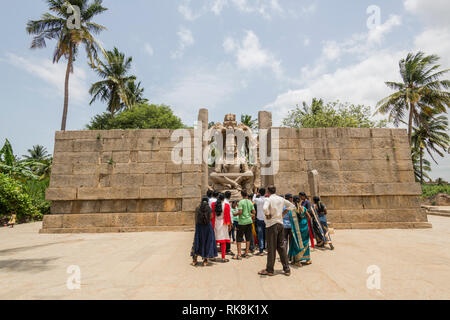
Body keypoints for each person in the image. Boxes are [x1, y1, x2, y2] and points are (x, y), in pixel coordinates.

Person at [258, 186, 295, 277]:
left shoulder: (269, 199)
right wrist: (283, 213)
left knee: (271, 248)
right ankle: (286, 269)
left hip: (271, 225)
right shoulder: (281, 199)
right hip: (280, 224)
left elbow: (264, 208)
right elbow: (292, 205)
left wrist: (267, 215)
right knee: (281, 247)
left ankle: (270, 270)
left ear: (268, 191)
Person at [191, 198, 218, 266]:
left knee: (197, 242)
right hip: (207, 227)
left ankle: (194, 260)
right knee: (207, 242)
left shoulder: (197, 208)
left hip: (199, 227)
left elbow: (196, 218)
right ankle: (205, 260)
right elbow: (211, 217)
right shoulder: (209, 208)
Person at [288, 196, 312, 266]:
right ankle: (307, 258)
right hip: (304, 227)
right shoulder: (304, 208)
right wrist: (304, 220)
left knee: (296, 242)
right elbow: (309, 217)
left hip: (297, 228)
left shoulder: (292, 210)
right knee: (305, 242)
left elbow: (290, 219)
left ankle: (297, 260)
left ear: (293, 201)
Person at [233, 190, 255, 260]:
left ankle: (239, 254)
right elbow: (254, 212)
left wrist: (234, 214)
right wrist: (251, 216)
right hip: (249, 221)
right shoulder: (250, 202)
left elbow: (240, 212)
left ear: (241, 195)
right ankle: (246, 253)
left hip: (242, 222)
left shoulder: (241, 202)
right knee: (248, 237)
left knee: (239, 238)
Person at [211, 194, 232, 263]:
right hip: (223, 224)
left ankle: (213, 256)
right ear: (224, 198)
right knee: (223, 242)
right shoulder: (226, 205)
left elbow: (211, 215)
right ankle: (223, 257)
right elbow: (228, 216)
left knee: (215, 241)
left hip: (215, 223)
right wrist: (229, 225)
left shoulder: (213, 204)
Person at [253, 188, 266, 256]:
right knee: (266, 234)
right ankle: (265, 248)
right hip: (266, 219)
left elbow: (253, 199)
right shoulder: (267, 200)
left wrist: (255, 193)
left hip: (259, 219)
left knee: (260, 235)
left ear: (259, 193)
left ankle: (261, 250)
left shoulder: (257, 200)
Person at [224, 191, 235, 256]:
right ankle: (227, 249)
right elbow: (229, 214)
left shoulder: (224, 202)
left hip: (224, 221)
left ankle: (225, 248)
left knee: (225, 235)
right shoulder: (227, 203)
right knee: (228, 235)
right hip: (227, 221)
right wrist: (230, 223)